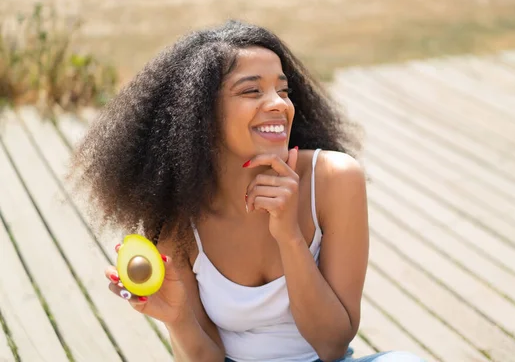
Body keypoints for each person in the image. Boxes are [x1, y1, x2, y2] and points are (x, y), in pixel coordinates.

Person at [68, 20, 426, 362]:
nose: (279, 104)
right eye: (251, 90)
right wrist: (177, 318)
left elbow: (332, 346)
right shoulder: (179, 219)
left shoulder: (333, 179)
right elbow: (205, 357)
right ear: (200, 114)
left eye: (283, 90)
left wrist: (289, 237)